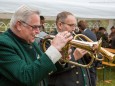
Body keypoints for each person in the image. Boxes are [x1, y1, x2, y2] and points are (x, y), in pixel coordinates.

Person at [0, 5, 73, 86]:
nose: (38, 31)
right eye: (34, 27)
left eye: (39, 27)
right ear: (19, 25)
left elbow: (43, 70)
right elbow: (26, 77)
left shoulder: (29, 40)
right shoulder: (3, 44)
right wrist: (54, 50)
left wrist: (59, 58)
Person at [48, 11, 93, 86]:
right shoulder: (49, 41)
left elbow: (85, 62)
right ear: (60, 25)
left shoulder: (75, 38)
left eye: (75, 26)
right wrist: (74, 57)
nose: (74, 29)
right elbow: (49, 69)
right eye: (71, 25)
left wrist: (90, 53)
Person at [78, 20, 102, 86]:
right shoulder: (90, 32)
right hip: (93, 54)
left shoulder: (83, 34)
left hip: (89, 56)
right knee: (93, 72)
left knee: (91, 72)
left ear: (79, 27)